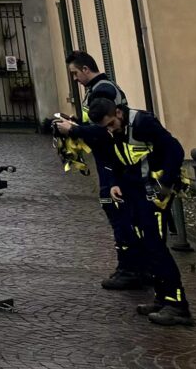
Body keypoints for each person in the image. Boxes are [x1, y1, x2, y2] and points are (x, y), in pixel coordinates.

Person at [52, 96, 192, 325]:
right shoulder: (114, 130)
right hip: (135, 191)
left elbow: (175, 150)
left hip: (155, 192)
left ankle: (177, 304)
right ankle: (161, 298)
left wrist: (164, 183)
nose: (110, 130)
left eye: (111, 124)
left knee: (156, 246)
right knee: (146, 245)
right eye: (105, 127)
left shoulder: (142, 123)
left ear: (118, 112)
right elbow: (117, 157)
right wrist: (115, 182)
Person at [63, 50, 137, 289]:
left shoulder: (102, 90)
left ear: (86, 69)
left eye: (75, 73)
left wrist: (73, 130)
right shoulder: (98, 89)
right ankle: (129, 266)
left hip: (111, 160)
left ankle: (130, 269)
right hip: (108, 159)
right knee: (117, 211)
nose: (75, 79)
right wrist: (77, 123)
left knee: (117, 211)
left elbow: (103, 129)